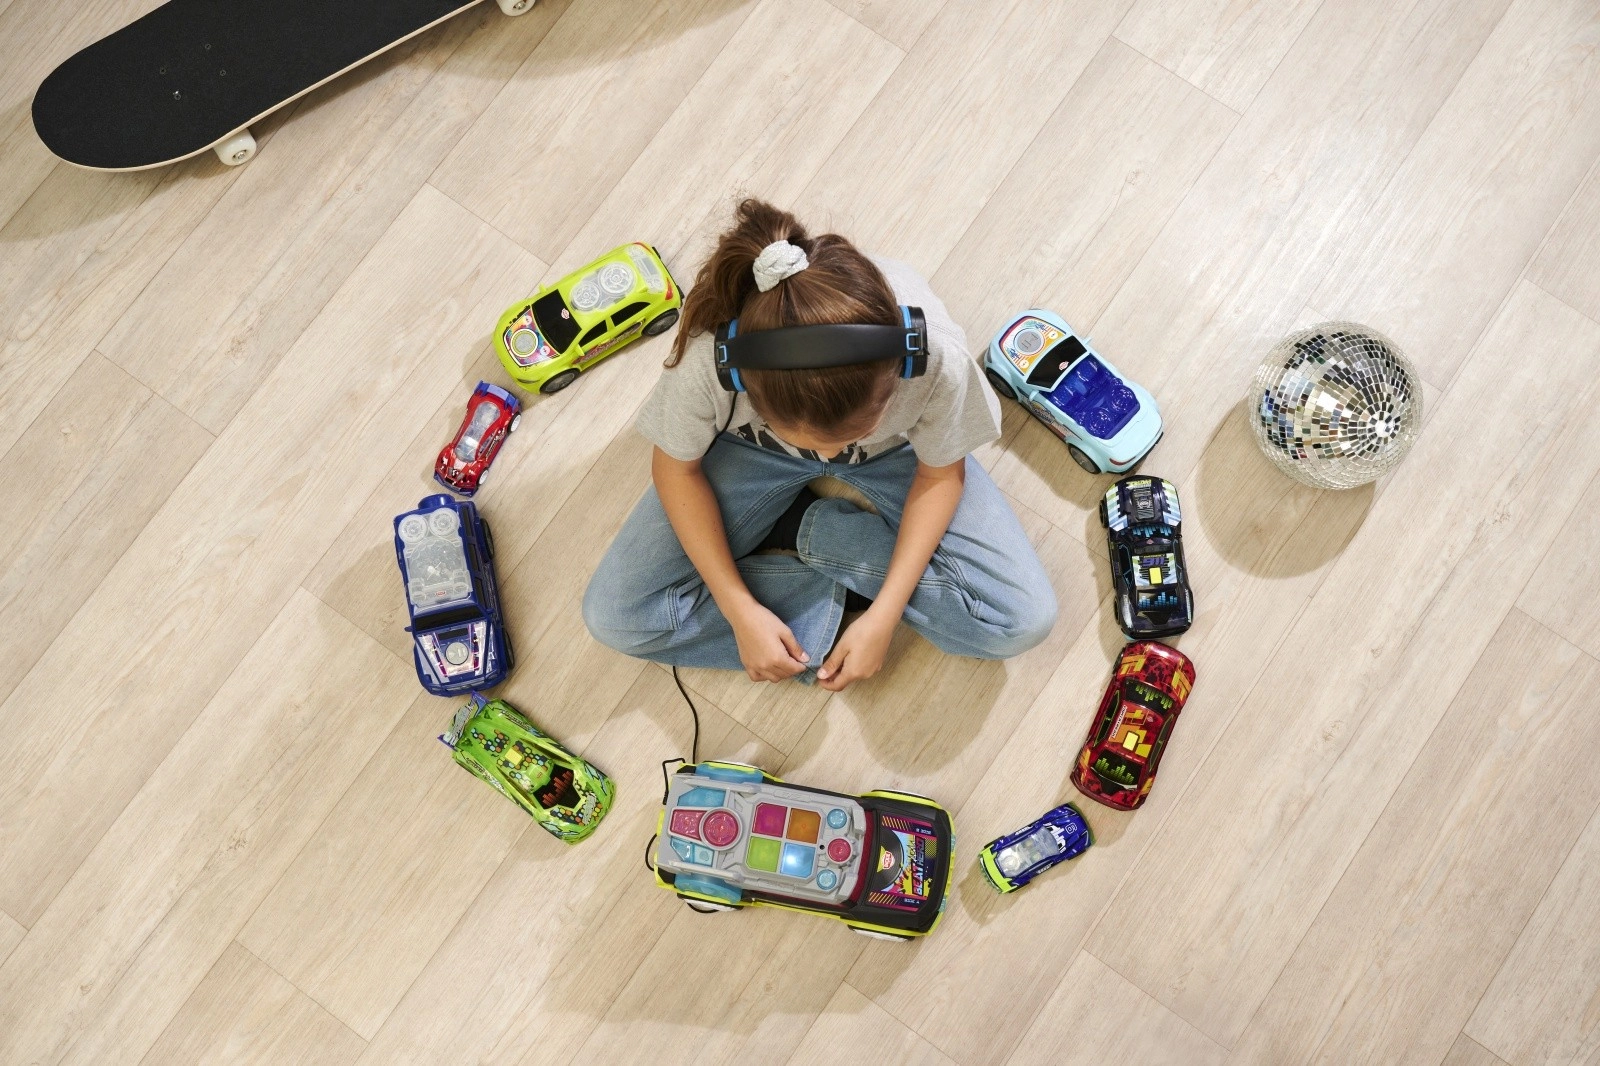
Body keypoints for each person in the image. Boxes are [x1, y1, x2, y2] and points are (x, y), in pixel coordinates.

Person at [583, 199, 1056, 691]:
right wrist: (739, 611)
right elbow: (675, 469)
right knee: (617, 617)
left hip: (896, 452)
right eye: (800, 436)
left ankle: (806, 532)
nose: (829, 456)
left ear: (898, 376)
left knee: (1019, 623)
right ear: (746, 385)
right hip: (752, 450)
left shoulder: (934, 358)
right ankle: (824, 599)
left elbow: (940, 473)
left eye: (854, 433)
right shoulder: (710, 359)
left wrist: (884, 615)